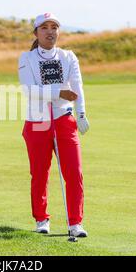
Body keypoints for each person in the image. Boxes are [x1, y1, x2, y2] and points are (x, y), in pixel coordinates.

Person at [18, 13, 90, 237]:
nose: (50, 31)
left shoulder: (68, 57)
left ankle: (75, 222)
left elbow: (77, 86)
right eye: (45, 27)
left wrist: (81, 113)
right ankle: (41, 219)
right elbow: (30, 90)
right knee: (39, 173)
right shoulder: (26, 58)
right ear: (36, 33)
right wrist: (59, 92)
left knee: (74, 172)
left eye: (54, 27)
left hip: (64, 120)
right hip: (37, 120)